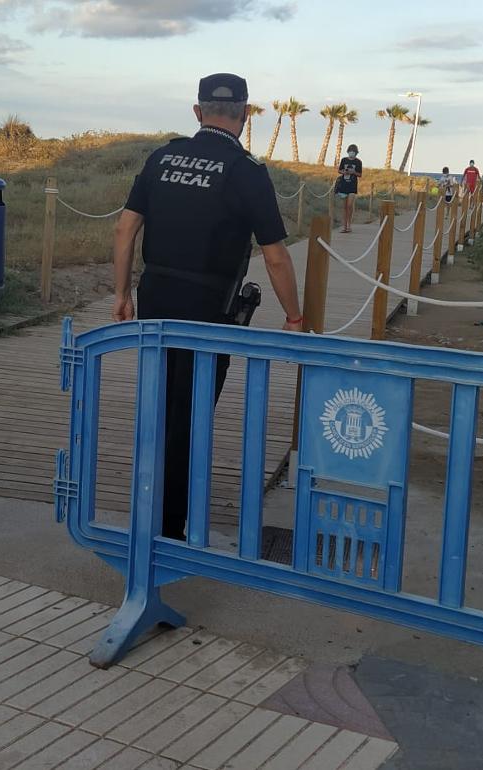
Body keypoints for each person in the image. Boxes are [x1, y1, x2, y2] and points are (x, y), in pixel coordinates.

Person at [112, 72, 304, 540]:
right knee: (191, 413)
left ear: (198, 112)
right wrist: (295, 317)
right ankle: (170, 530)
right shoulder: (246, 172)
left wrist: (121, 294)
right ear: (244, 113)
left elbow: (125, 228)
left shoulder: (162, 157)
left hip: (155, 296)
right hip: (207, 308)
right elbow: (276, 256)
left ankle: (147, 512)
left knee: (158, 406)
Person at [335, 144, 363, 233]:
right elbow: (339, 170)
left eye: (353, 151)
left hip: (352, 186)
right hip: (343, 185)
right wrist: (344, 172)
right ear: (348, 151)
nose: (352, 153)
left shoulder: (358, 162)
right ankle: (344, 226)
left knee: (349, 205)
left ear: (356, 153)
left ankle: (349, 225)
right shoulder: (344, 160)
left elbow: (360, 174)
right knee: (344, 207)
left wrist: (354, 172)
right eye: (350, 151)